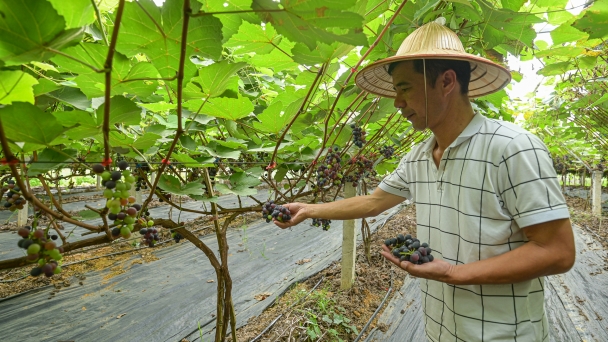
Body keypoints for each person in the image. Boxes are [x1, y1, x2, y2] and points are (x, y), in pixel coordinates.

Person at [273, 18, 575, 341]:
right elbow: (374, 202)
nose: (397, 103)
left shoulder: (512, 149)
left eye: (404, 89)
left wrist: (452, 273)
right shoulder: (419, 157)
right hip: (440, 331)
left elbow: (557, 250)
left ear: (446, 82)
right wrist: (308, 209)